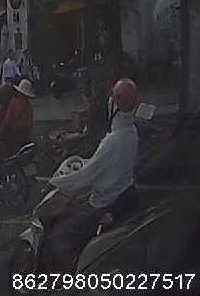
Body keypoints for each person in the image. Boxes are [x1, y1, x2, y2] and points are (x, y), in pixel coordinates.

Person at [45, 79, 140, 270]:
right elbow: (102, 163)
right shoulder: (131, 132)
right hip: (118, 196)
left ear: (115, 105)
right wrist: (80, 161)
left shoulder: (113, 140)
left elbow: (86, 176)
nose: (108, 102)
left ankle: (69, 279)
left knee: (58, 236)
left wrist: (55, 182)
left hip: (103, 203)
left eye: (111, 99)